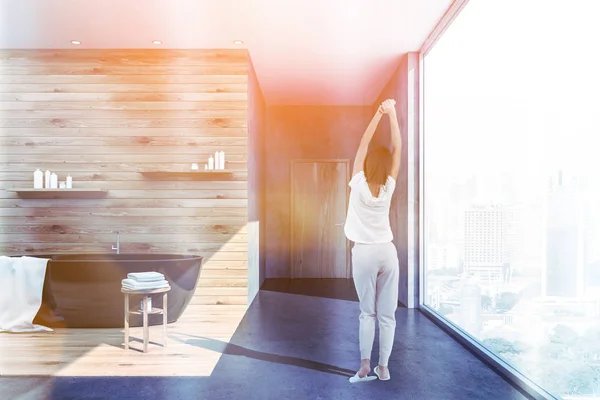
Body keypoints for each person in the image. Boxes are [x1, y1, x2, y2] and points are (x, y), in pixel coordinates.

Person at [345, 98, 401, 383]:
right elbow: (398, 148)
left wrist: (378, 113)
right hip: (387, 252)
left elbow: (363, 145)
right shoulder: (388, 187)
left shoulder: (357, 183)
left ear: (367, 163)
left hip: (364, 253)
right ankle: (384, 368)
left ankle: (365, 365)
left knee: (367, 312)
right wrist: (391, 114)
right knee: (387, 314)